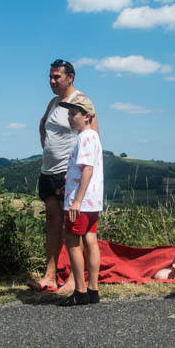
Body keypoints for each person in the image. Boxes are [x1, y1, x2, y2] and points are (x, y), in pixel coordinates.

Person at [31, 59, 99, 293]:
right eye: (50, 76)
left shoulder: (81, 102)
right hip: (48, 170)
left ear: (70, 77)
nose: (51, 81)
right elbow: (43, 124)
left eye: (56, 77)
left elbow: (94, 137)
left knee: (71, 227)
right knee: (52, 221)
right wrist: (46, 145)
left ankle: (73, 278)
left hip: (68, 173)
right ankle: (50, 276)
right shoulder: (53, 102)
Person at [57, 94, 103, 306]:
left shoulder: (84, 137)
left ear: (87, 116)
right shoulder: (94, 137)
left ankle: (80, 291)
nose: (70, 117)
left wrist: (76, 200)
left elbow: (87, 169)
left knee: (73, 242)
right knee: (91, 240)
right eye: (69, 113)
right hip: (93, 201)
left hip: (80, 201)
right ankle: (93, 289)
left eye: (73, 113)